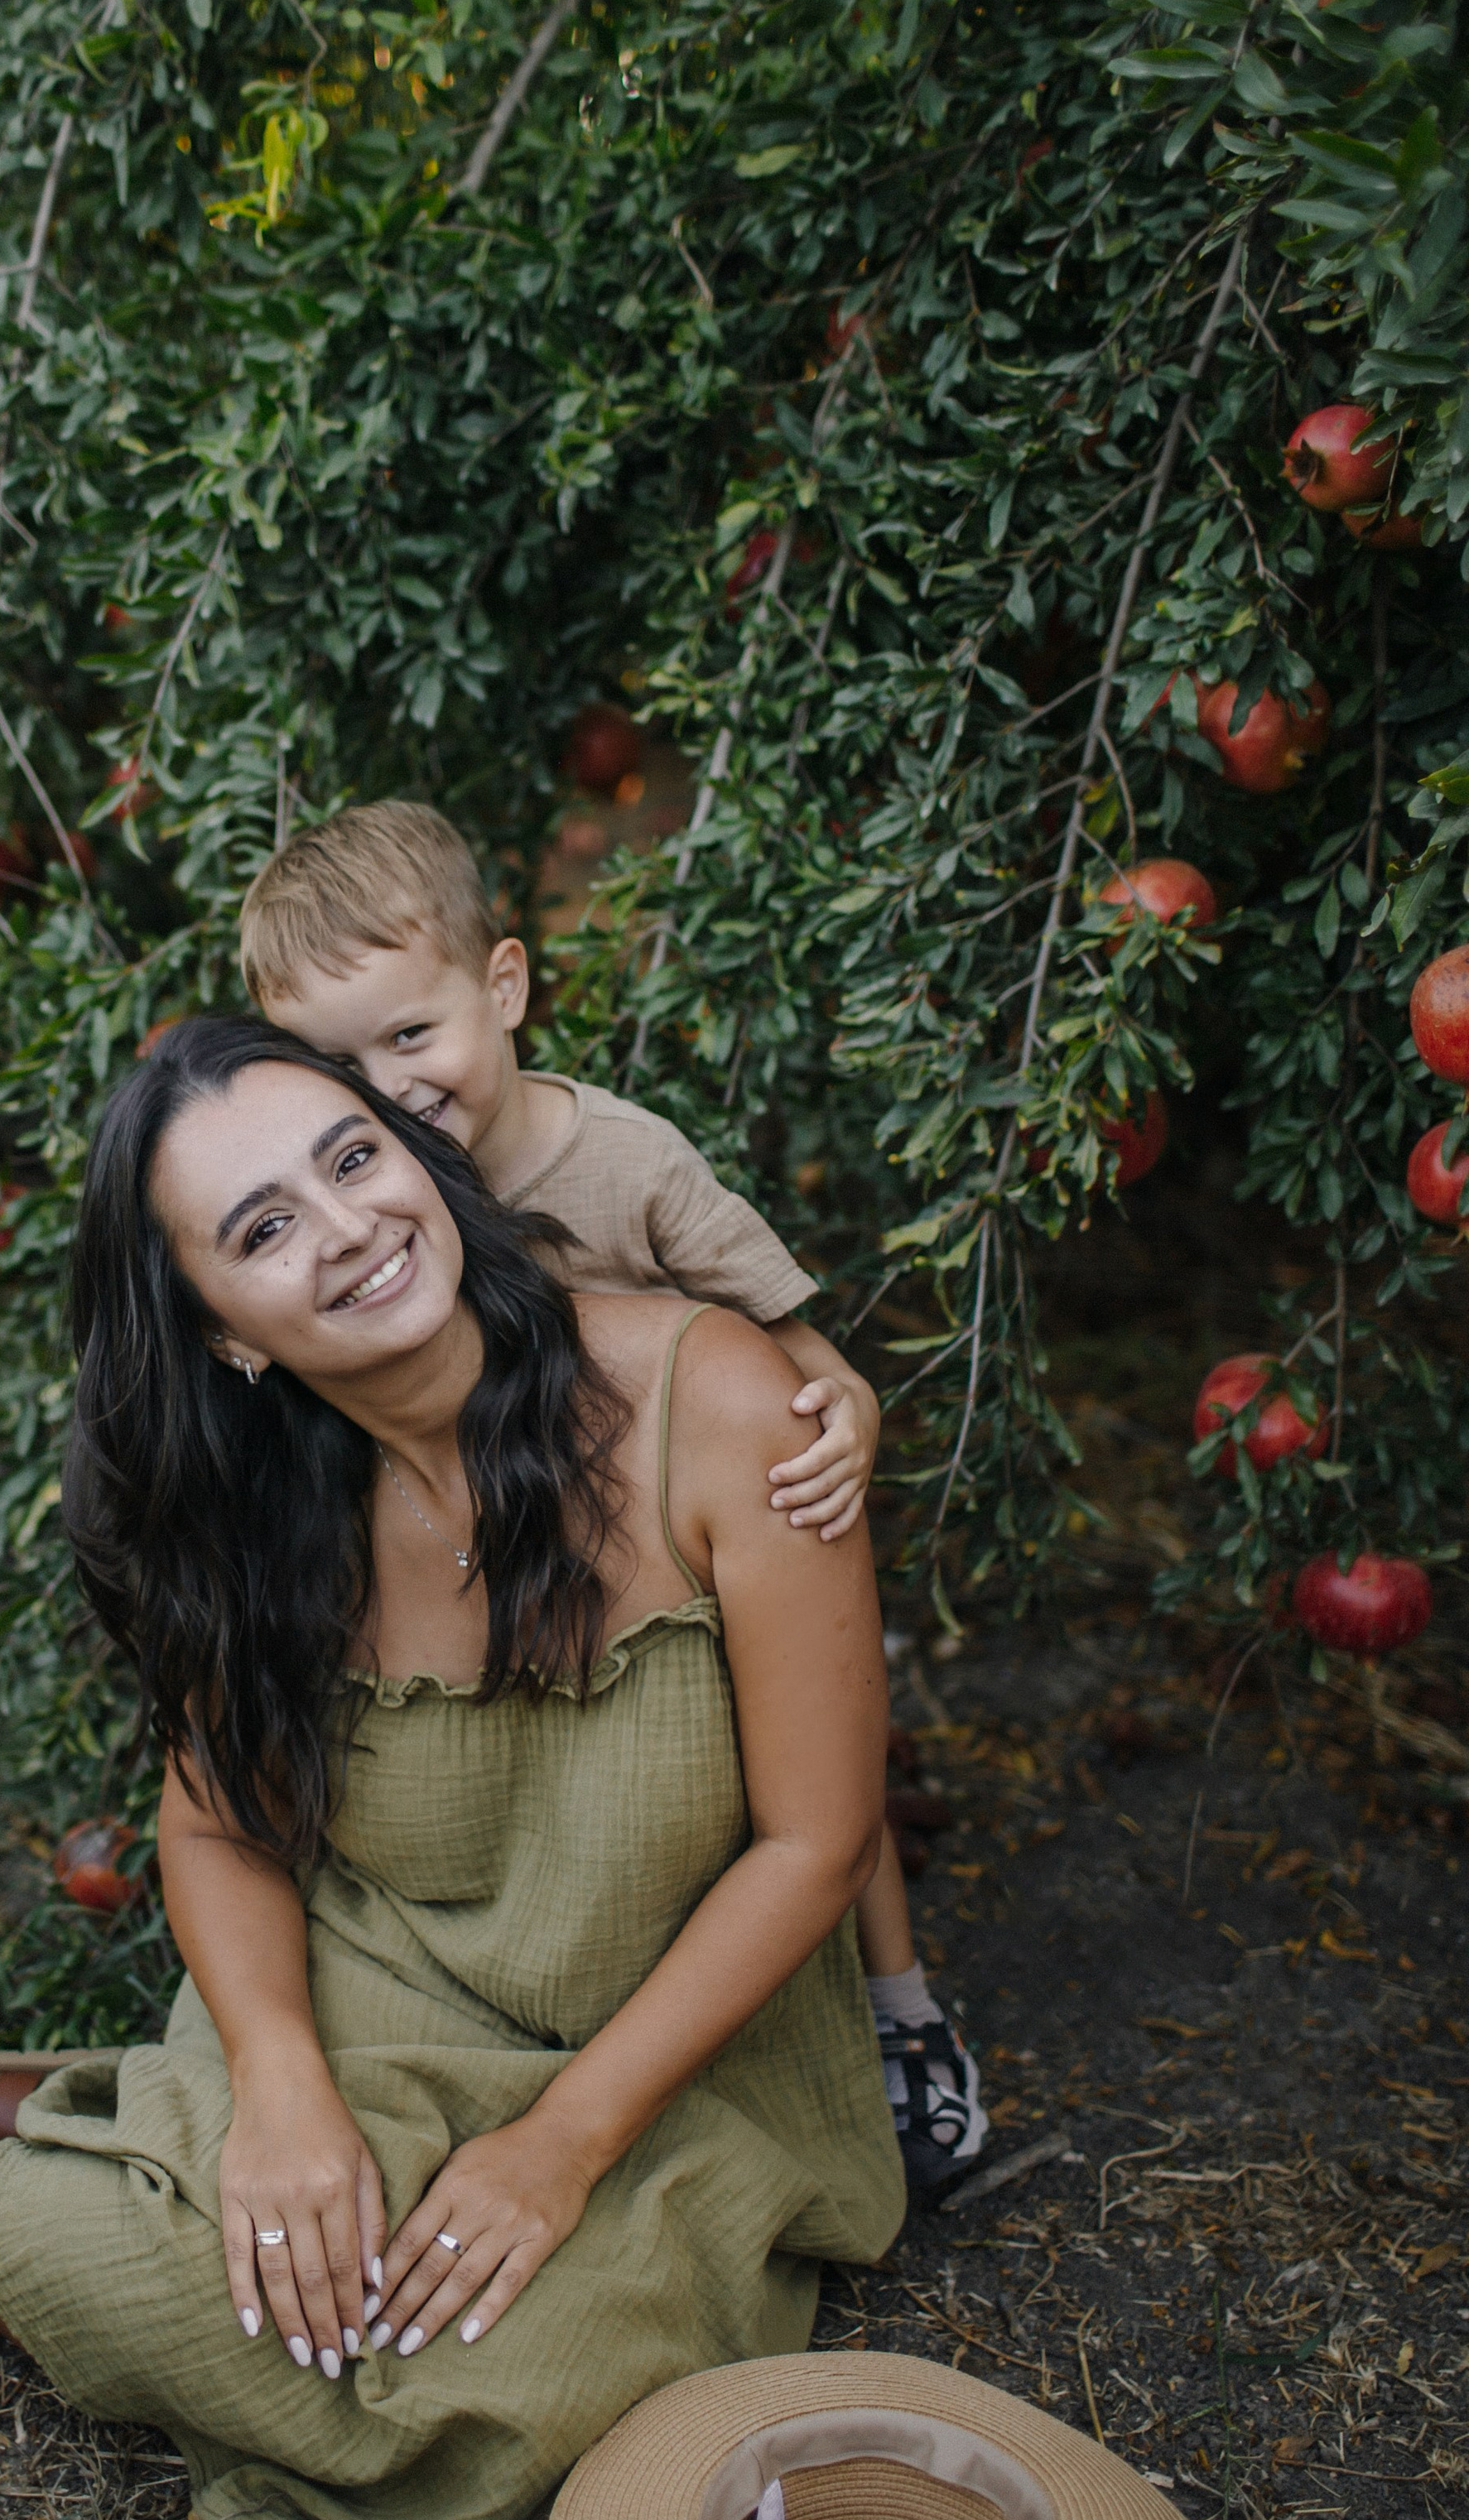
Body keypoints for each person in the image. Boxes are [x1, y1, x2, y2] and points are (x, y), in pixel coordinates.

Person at [0, 1020, 903, 2520]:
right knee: (279, 2271)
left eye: (353, 1159)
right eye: (264, 1227)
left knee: (516, 2420)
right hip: (381, 2005)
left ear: (419, 1158)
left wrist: (557, 2145)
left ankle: (113, 2142)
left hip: (676, 2069)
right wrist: (284, 2086)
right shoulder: (275, 1506)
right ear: (225, 1329)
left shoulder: (726, 1406)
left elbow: (815, 1843)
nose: (348, 1227)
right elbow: (217, 1823)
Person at [239, 803, 987, 2191]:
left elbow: (786, 1327)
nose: (389, 1089)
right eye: (339, 1065)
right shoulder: (378, 1205)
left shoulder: (626, 1165)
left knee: (825, 1785)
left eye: (413, 1036)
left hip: (690, 1522)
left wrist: (854, 1408)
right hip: (533, 1544)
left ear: (504, 987)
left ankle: (902, 2014)